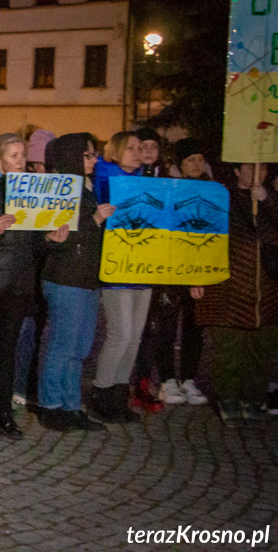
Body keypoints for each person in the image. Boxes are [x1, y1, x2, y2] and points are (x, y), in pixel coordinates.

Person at [0, 134, 68, 440]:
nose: (21, 161)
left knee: (9, 350)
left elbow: (34, 241)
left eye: (23, 155)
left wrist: (49, 240)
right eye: (13, 156)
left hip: (20, 281)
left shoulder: (33, 189)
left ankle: (5, 412)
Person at [191, 163, 278, 427]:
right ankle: (227, 398)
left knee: (261, 348)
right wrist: (196, 276)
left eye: (263, 168)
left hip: (267, 288)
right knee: (228, 346)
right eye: (251, 168)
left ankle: (252, 398)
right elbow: (200, 237)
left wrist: (267, 201)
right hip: (227, 286)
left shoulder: (271, 200)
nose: (257, 173)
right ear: (238, 171)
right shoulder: (220, 198)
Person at [36, 133, 111, 432]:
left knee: (79, 348)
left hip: (88, 279)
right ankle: (50, 405)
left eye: (95, 154)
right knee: (62, 345)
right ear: (71, 158)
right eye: (88, 155)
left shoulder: (89, 188)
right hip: (65, 279)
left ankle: (71, 405)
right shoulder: (60, 191)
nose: (94, 160)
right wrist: (93, 221)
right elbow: (54, 240)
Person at [133, 138, 209, 409]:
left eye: (200, 159)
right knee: (165, 325)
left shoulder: (213, 190)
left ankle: (188, 378)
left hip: (198, 268)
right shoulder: (169, 189)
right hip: (170, 268)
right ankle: (167, 379)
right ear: (180, 163)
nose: (196, 165)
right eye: (190, 160)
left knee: (194, 326)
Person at [91, 132, 149, 423]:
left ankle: (118, 395)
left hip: (143, 268)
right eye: (131, 148)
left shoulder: (144, 181)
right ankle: (101, 392)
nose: (138, 153)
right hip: (117, 268)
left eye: (141, 148)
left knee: (134, 338)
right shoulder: (104, 180)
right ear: (115, 151)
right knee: (120, 334)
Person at [12, 128, 55, 407]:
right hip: (25, 275)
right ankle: (18, 386)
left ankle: (28, 384)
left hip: (46, 275)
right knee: (23, 336)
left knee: (37, 335)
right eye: (36, 164)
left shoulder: (58, 190)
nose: (40, 169)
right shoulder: (21, 188)